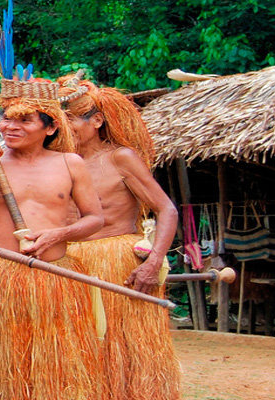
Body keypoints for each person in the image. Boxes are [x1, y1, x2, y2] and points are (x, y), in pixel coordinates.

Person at [0, 76, 108, 399]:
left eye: (24, 120)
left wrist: (60, 233)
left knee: (52, 371)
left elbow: (95, 219)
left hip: (52, 279)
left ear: (51, 127)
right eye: (6, 118)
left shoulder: (70, 164)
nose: (10, 127)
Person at [59, 75, 182, 400]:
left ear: (96, 120)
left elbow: (166, 210)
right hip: (71, 266)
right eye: (61, 120)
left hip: (119, 265)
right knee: (78, 351)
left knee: (127, 350)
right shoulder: (59, 163)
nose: (65, 127)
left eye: (71, 119)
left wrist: (154, 260)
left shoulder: (120, 158)